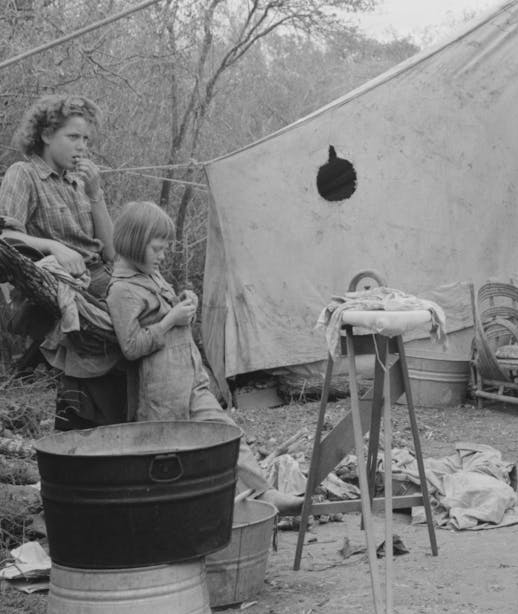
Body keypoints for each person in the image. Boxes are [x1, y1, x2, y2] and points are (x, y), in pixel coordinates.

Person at [106, 201, 302, 515]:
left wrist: (185, 304)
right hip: (161, 394)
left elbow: (174, 322)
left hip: (191, 381)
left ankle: (264, 495)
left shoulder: (152, 277)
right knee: (168, 462)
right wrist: (171, 319)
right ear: (134, 243)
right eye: (156, 248)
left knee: (226, 436)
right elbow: (131, 346)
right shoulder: (122, 291)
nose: (162, 255)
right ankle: (170, 518)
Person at [0, 94, 125, 429]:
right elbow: (5, 237)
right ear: (45, 136)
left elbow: (111, 252)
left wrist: (95, 192)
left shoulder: (79, 182)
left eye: (86, 139)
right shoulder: (23, 174)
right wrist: (53, 247)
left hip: (104, 276)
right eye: (72, 137)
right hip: (67, 284)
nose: (81, 147)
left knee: (159, 312)